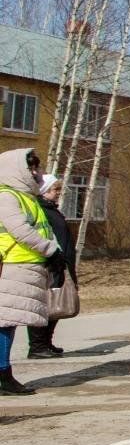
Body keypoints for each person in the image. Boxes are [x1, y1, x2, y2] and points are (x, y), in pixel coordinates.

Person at [0, 149, 62, 396]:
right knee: (4, 323)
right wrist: (51, 251)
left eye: (37, 167)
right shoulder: (7, 197)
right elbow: (21, 231)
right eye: (32, 168)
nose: (37, 173)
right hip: (12, 267)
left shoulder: (27, 198)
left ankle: (4, 372)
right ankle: (3, 373)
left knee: (10, 322)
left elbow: (43, 229)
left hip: (26, 268)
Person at [26, 174, 75, 359]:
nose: (58, 193)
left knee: (56, 303)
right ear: (45, 190)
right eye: (55, 190)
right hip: (50, 263)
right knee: (45, 303)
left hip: (61, 262)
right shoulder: (40, 210)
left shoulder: (51, 209)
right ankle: (37, 346)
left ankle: (46, 342)